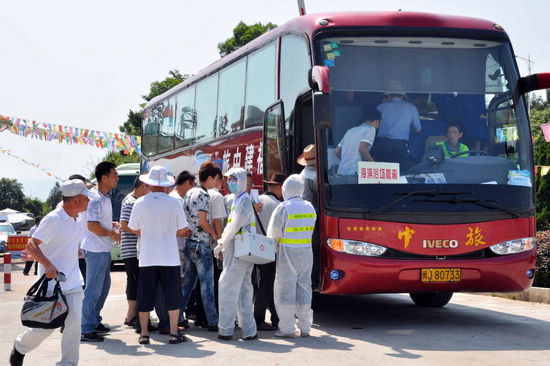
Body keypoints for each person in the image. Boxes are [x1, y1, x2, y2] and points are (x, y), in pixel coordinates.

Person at [10, 180, 90, 366]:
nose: (88, 202)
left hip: (73, 282)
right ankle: (20, 346)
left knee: (74, 324)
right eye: (86, 198)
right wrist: (47, 264)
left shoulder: (77, 218)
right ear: (76, 200)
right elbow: (31, 244)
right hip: (52, 284)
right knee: (45, 328)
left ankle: (68, 363)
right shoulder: (53, 219)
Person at [128, 165, 190, 345]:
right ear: (166, 184)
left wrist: (148, 231)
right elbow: (183, 228)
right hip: (169, 256)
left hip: (147, 256)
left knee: (145, 295)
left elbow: (132, 227)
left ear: (149, 183)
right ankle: (173, 333)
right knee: (172, 295)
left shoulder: (140, 202)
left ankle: (144, 334)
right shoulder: (174, 202)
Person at [267, 174, 317, 338]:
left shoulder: (284, 207)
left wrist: (271, 251)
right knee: (304, 288)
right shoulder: (310, 207)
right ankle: (305, 327)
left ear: (286, 189)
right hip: (306, 253)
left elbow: (274, 233)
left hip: (287, 252)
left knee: (285, 289)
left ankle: (287, 328)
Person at [214, 167, 257, 341]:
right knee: (244, 290)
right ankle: (249, 330)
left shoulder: (243, 201)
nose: (230, 183)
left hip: (238, 251)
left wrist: (221, 243)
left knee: (227, 287)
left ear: (241, 181)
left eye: (233, 180)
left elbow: (233, 226)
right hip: (241, 250)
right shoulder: (239, 199)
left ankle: (225, 329)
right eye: (228, 180)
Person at [81, 161, 120, 342]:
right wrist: (111, 233)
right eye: (114, 175)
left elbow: (98, 223)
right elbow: (92, 226)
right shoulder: (96, 198)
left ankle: (94, 320)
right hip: (95, 250)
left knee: (103, 288)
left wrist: (110, 226)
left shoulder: (103, 197)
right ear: (103, 178)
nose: (116, 178)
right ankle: (86, 328)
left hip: (102, 249)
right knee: (94, 290)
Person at [181, 162, 221, 331]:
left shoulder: (189, 192)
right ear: (210, 178)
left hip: (190, 243)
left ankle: (177, 315)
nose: (216, 184)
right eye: (217, 179)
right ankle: (213, 321)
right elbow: (203, 221)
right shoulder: (204, 195)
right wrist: (214, 235)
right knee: (207, 285)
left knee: (188, 284)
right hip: (202, 245)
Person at [253, 173, 285, 331]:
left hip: (254, 247)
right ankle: (258, 319)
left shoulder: (257, 199)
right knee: (267, 284)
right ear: (280, 187)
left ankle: (276, 318)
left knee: (268, 283)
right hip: (270, 249)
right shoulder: (278, 205)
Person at [119, 177, 151, 328]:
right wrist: (141, 232)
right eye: (149, 188)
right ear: (143, 186)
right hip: (132, 251)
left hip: (134, 250)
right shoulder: (131, 202)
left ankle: (132, 314)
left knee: (134, 282)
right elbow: (124, 224)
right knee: (135, 283)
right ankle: (132, 315)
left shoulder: (132, 200)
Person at [372, 80, 422, 169]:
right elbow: (418, 129)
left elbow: (372, 125)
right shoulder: (411, 108)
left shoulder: (381, 107)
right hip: (400, 146)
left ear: (389, 95)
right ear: (402, 95)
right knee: (399, 173)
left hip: (383, 143)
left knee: (382, 172)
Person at [170, 170, 195, 326]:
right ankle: (178, 317)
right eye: (192, 185)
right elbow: (182, 227)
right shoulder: (178, 200)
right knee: (180, 284)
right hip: (178, 247)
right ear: (186, 183)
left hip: (174, 247)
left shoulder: (172, 198)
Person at [335, 108, 381, 175]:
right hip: (355, 172)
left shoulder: (350, 130)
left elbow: (336, 151)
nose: (378, 127)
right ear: (377, 121)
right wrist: (374, 165)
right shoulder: (370, 129)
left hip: (342, 171)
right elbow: (362, 148)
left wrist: (347, 162)